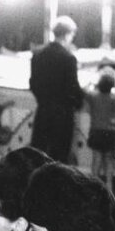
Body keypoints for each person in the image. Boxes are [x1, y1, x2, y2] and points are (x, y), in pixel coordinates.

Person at [29, 15, 84, 164]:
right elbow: (73, 88)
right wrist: (80, 100)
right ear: (67, 34)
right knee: (59, 155)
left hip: (43, 110)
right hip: (62, 114)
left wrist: (43, 100)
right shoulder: (68, 58)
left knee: (38, 152)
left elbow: (33, 83)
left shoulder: (38, 54)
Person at [84, 67, 115, 190]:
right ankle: (109, 186)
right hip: (111, 133)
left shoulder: (93, 96)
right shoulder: (114, 98)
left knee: (97, 159)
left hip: (96, 132)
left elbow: (84, 90)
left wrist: (90, 84)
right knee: (109, 160)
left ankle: (93, 186)